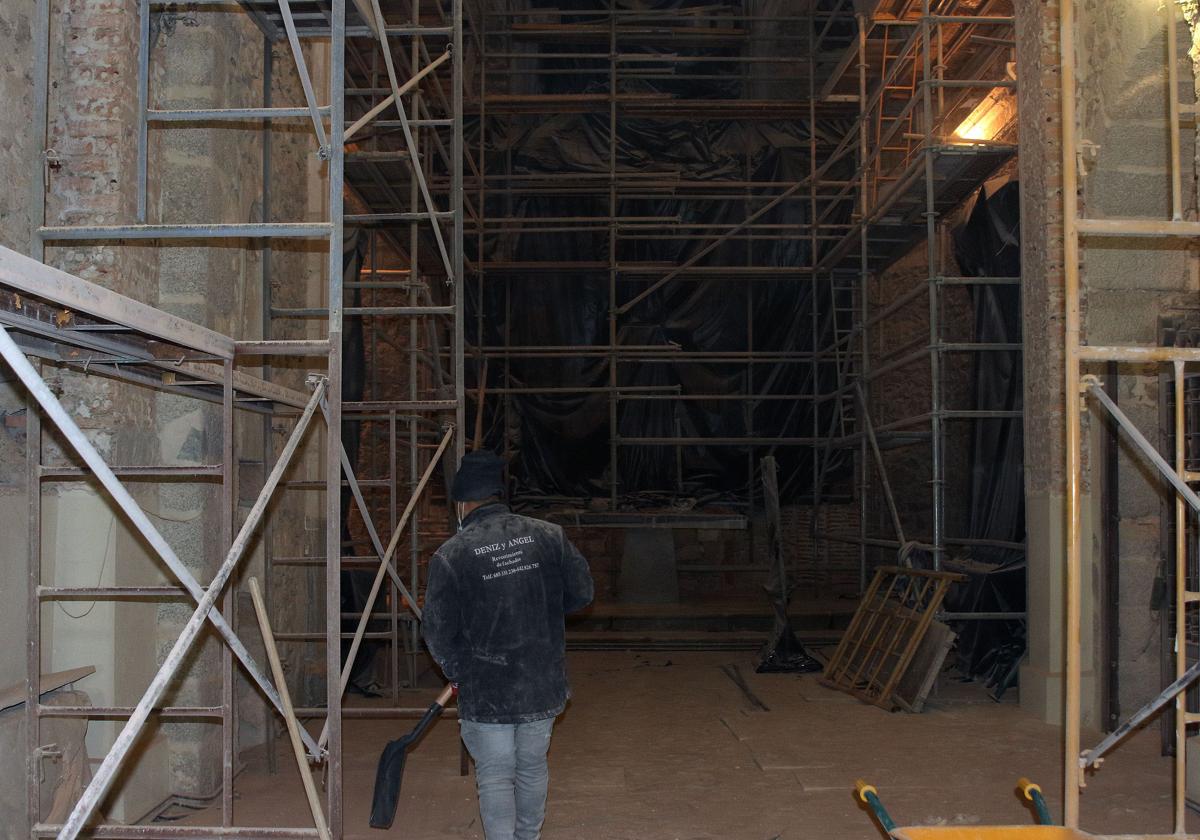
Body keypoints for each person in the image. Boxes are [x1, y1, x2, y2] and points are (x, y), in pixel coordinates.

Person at [422, 450, 594, 840]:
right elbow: (582, 594)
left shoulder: (452, 555)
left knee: (496, 775)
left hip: (488, 689)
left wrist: (460, 672)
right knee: (532, 766)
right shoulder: (550, 536)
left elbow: (436, 630)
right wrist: (543, 612)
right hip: (540, 678)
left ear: (464, 503)